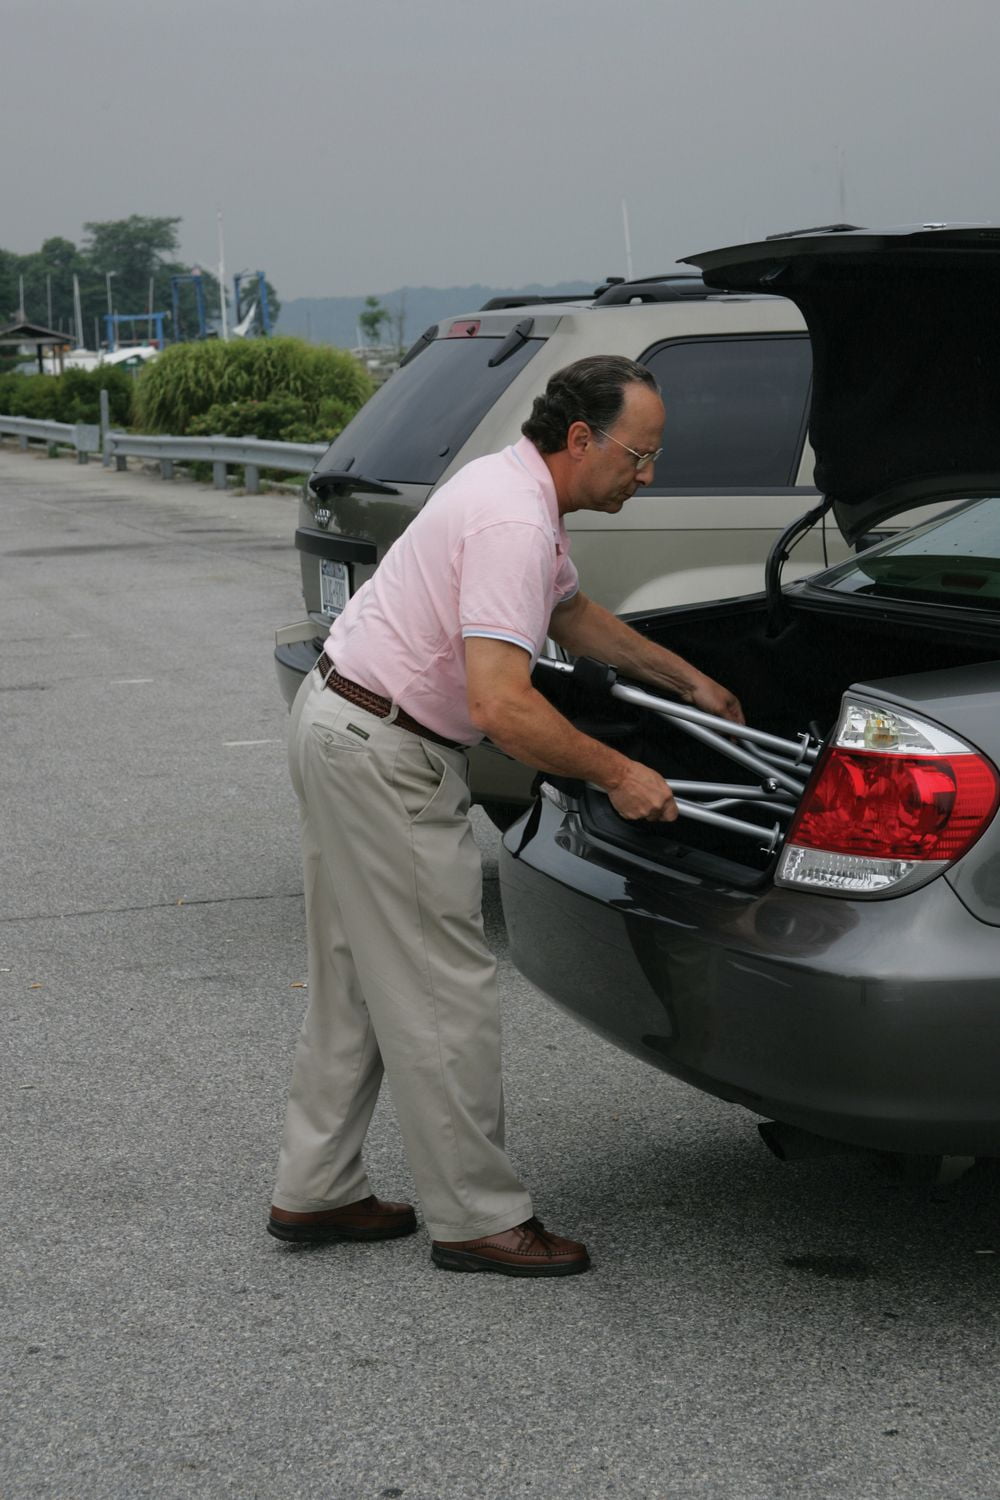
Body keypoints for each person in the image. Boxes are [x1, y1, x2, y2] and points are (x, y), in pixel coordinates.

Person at [268, 355, 743, 1277]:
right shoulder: (512, 520)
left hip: (339, 719)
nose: (645, 477)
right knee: (445, 990)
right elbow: (503, 707)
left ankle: (317, 1187)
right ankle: (478, 1218)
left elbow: (573, 614)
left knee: (357, 976)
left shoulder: (514, 484)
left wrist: (688, 681)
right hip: (385, 751)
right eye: (638, 458)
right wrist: (620, 774)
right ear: (580, 439)